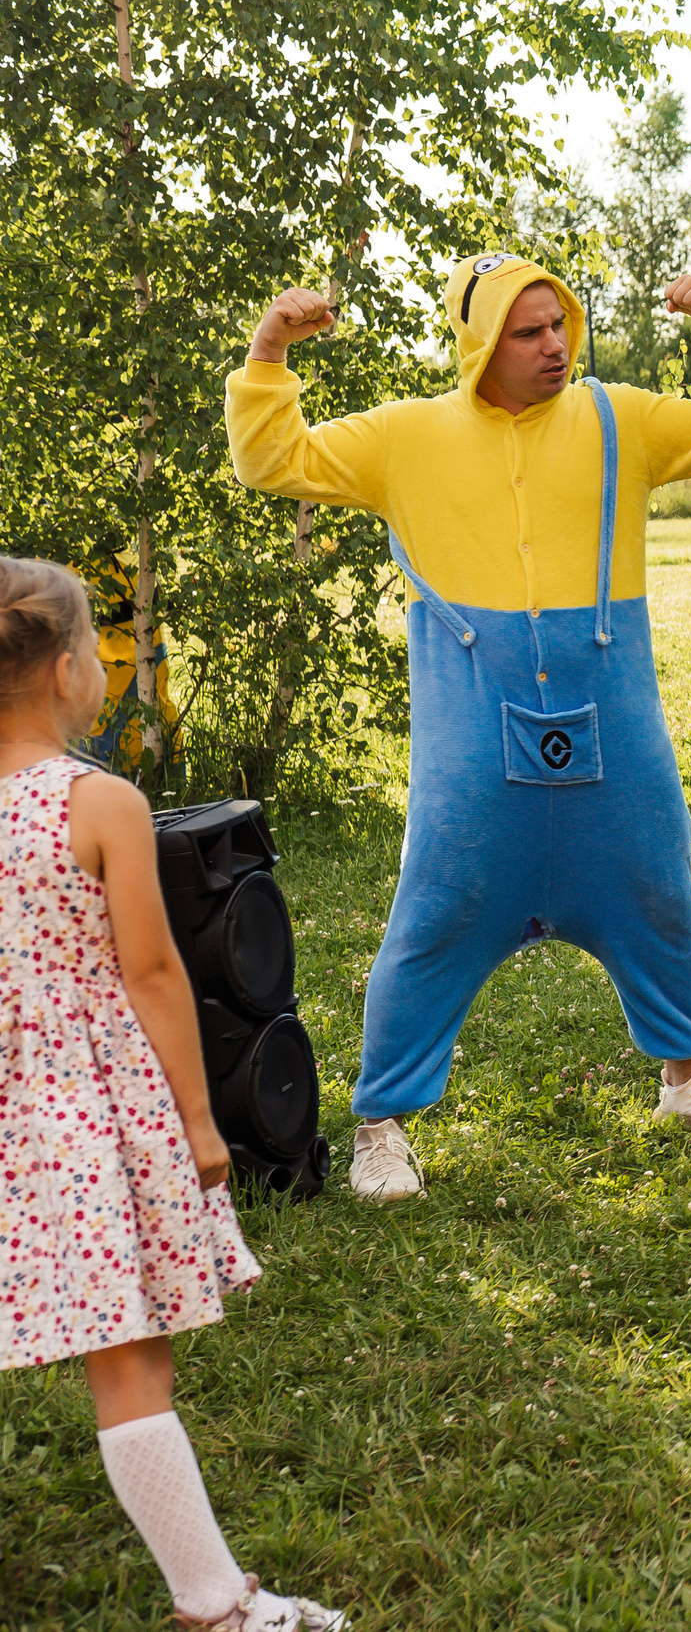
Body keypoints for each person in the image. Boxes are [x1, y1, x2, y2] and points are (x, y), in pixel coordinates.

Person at [226, 258, 691, 1202]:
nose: (555, 344)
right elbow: (274, 459)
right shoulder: (407, 435)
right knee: (434, 912)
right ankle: (381, 1128)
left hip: (615, 715)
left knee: (656, 885)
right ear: (483, 342)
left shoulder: (618, 419)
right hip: (471, 733)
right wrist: (269, 349)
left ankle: (689, 1079)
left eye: (559, 324)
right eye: (529, 332)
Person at [0, 559, 345, 1631]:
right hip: (78, 1110)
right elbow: (154, 973)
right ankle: (214, 1603)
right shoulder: (101, 802)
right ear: (66, 671)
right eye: (93, 650)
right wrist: (199, 1122)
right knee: (131, 1361)